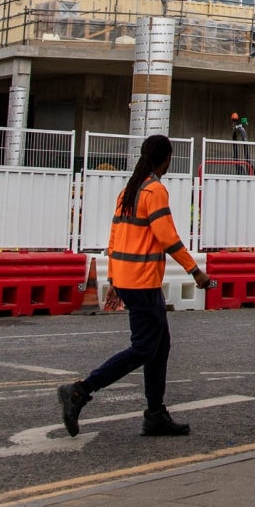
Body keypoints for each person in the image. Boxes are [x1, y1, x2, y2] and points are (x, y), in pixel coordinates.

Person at [57, 134, 211, 438]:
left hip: (128, 278)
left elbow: (114, 238)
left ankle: (155, 414)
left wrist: (114, 278)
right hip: (142, 281)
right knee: (144, 348)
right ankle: (80, 391)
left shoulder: (129, 190)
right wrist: (195, 271)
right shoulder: (155, 190)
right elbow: (167, 238)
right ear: (166, 159)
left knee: (160, 344)